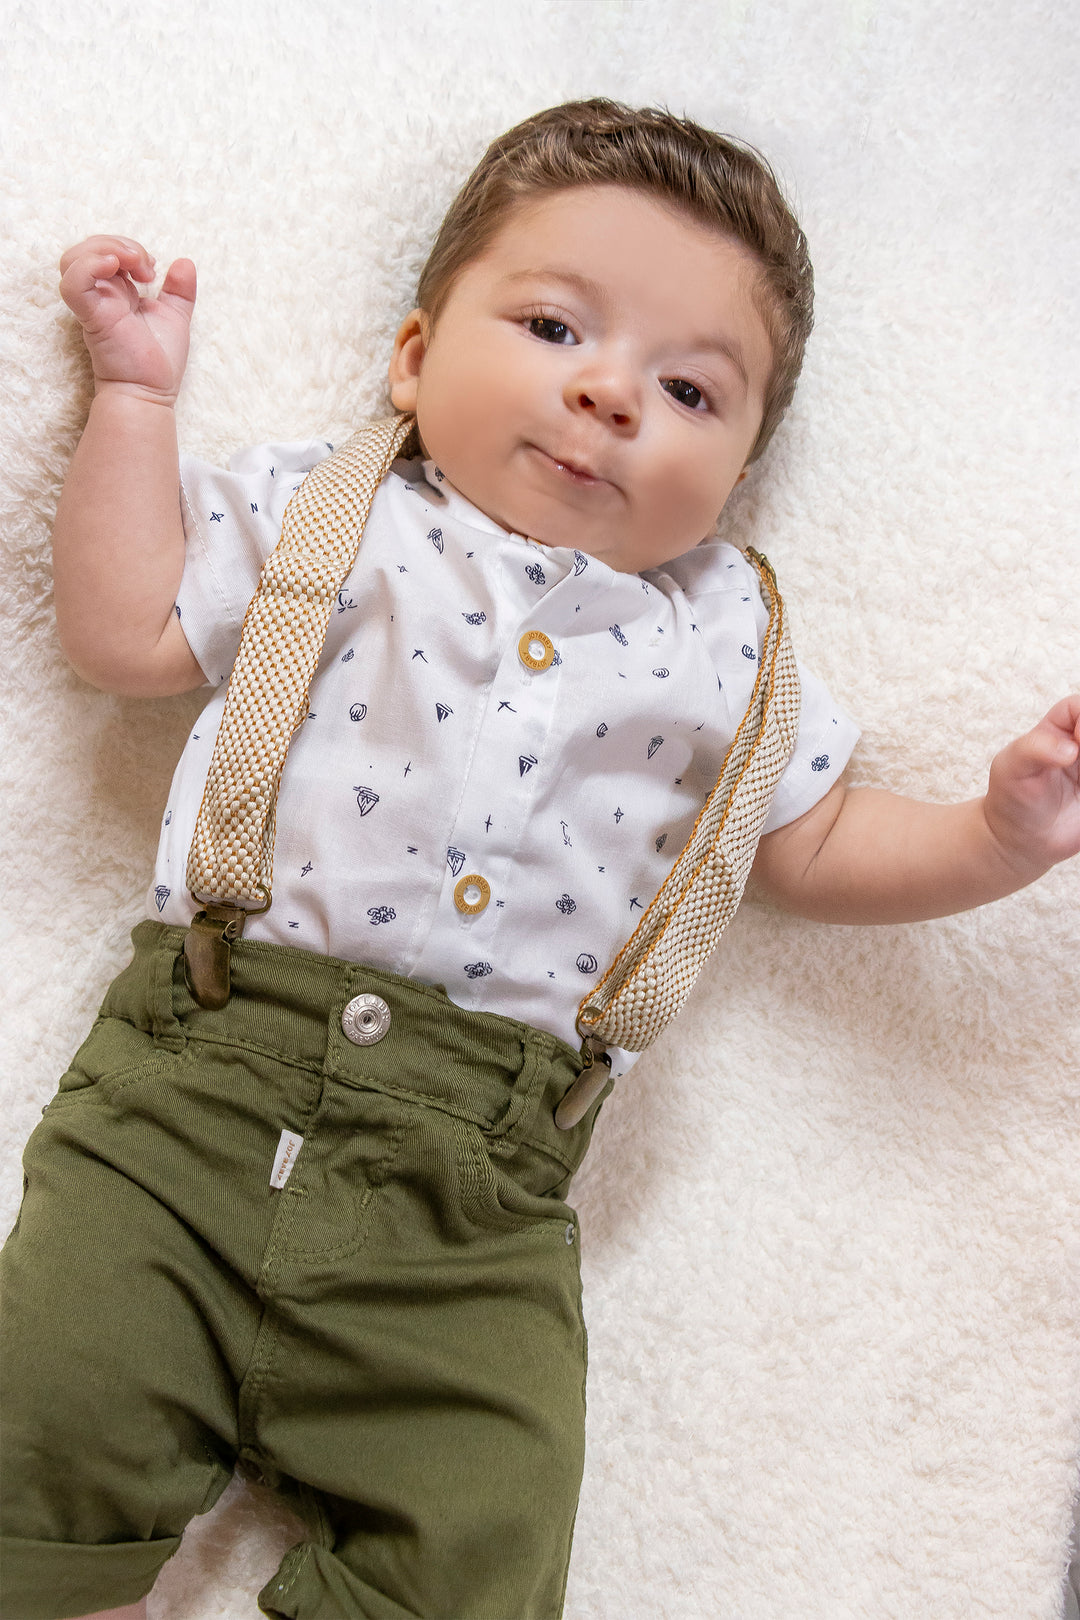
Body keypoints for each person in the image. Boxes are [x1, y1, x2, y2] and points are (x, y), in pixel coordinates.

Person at [1, 99, 1077, 1620]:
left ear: (746, 468)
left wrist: (994, 835)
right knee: (43, 1416)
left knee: (490, 1537)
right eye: (558, 326)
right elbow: (125, 634)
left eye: (691, 387)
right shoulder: (338, 512)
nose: (611, 395)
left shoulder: (726, 643)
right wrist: (132, 397)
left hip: (473, 1205)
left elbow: (823, 837)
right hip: (191, 1096)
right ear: (417, 357)